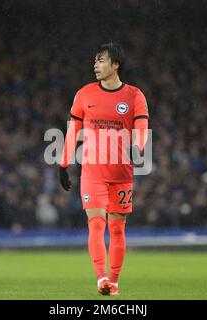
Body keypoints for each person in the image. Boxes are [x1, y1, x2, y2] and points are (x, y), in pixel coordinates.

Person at [58, 42, 150, 295]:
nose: (95, 65)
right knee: (96, 224)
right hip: (92, 172)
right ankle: (101, 279)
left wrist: (138, 148)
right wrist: (63, 163)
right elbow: (73, 131)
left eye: (101, 60)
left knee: (117, 228)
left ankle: (115, 280)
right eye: (95, 61)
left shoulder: (134, 96)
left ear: (115, 65)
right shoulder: (84, 94)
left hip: (122, 173)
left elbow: (142, 128)